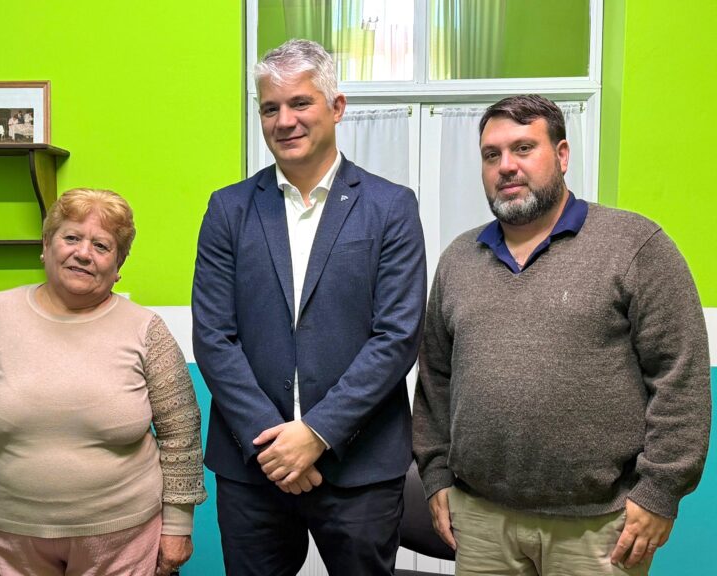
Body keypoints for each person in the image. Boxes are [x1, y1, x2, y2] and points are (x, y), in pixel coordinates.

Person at [412, 94, 710, 576]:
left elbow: (680, 377)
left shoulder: (635, 246)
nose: (506, 166)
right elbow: (435, 382)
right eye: (491, 154)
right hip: (482, 521)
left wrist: (660, 492)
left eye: (523, 148)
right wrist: (435, 474)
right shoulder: (459, 259)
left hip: (599, 526)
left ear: (562, 154)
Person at [192, 39, 426, 575]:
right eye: (270, 108)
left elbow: (396, 336)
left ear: (336, 107)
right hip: (253, 465)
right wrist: (274, 445)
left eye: (300, 103)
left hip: (361, 465)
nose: (284, 121)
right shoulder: (228, 209)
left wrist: (316, 433)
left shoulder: (390, 206)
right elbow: (213, 335)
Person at [0, 188, 206, 576]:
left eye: (102, 245)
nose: (83, 253)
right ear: (46, 246)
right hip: (8, 538)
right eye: (72, 237)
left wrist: (178, 525)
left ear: (118, 264)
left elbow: (181, 435)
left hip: (123, 541)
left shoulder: (148, 330)